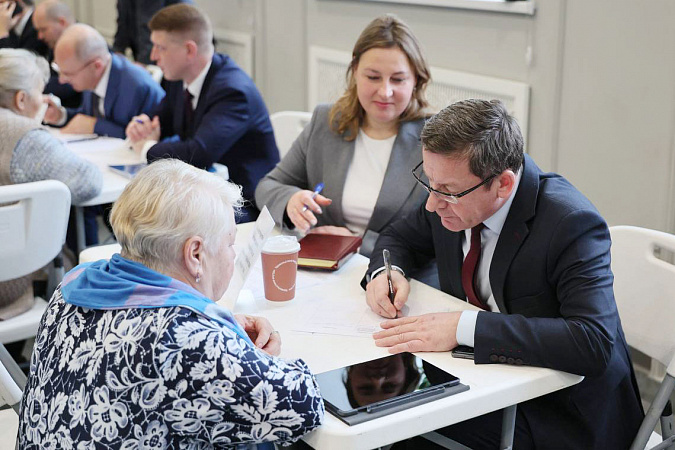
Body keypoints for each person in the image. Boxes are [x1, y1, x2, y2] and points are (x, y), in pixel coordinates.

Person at [363, 99, 644, 449]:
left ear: (503, 185)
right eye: (429, 183)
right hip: (482, 378)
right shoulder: (450, 192)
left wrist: (463, 327)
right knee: (372, 413)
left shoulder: (570, 223)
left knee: (399, 427)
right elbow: (400, 237)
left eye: (447, 191)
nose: (433, 204)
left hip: (561, 411)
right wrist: (386, 273)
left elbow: (592, 341)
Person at [18, 159, 324, 447]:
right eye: (230, 243)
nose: (233, 254)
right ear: (195, 254)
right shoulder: (187, 341)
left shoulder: (74, 283)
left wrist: (222, 332)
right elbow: (304, 404)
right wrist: (236, 350)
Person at [255, 14, 431, 258]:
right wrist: (290, 200)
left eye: (398, 79)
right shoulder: (326, 122)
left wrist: (354, 243)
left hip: (394, 272)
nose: (385, 91)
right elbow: (267, 186)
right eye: (373, 77)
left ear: (416, 81)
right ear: (355, 72)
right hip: (325, 268)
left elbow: (435, 239)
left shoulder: (433, 140)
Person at [125, 4, 279, 223]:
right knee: (138, 209)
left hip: (244, 203)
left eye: (161, 48)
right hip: (205, 193)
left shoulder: (232, 91)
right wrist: (142, 126)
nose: (153, 56)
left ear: (189, 50)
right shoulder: (179, 78)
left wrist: (146, 148)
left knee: (153, 218)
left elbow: (198, 153)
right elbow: (159, 120)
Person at [0, 48, 101, 319]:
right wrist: (36, 127)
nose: (44, 100)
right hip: (9, 280)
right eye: (40, 92)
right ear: (21, 99)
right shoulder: (24, 136)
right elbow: (89, 182)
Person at [43, 23, 164, 138]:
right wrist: (61, 115)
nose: (61, 80)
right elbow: (86, 118)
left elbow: (145, 136)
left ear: (97, 66)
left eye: (68, 74)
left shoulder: (137, 87)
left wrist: (95, 126)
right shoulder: (91, 76)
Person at [31, 0, 80, 108]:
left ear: (62, 22)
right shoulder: (57, 41)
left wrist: (31, 84)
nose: (40, 36)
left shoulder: (82, 44)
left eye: (43, 29)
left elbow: (67, 85)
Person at [113, 0, 192, 65]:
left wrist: (144, 63)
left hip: (173, 51)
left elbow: (148, 24)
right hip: (148, 46)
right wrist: (118, 51)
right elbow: (123, 18)